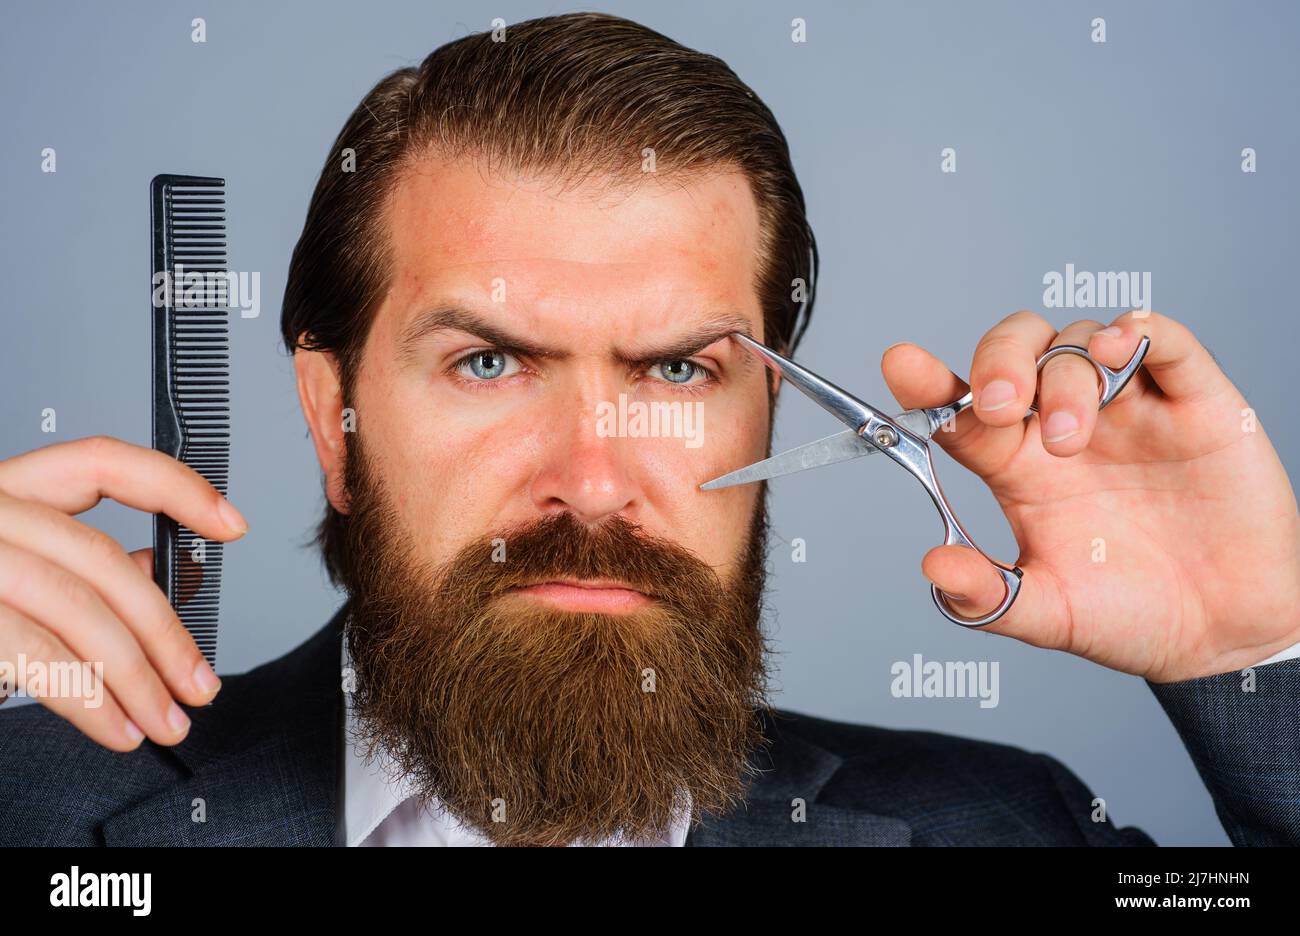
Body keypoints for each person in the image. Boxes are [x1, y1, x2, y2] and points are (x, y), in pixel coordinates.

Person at [1, 12, 1297, 847]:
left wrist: (1254, 650)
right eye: (491, 361)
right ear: (333, 422)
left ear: (773, 405)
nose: (592, 477)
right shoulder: (43, 813)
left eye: (678, 369)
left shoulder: (1006, 827)